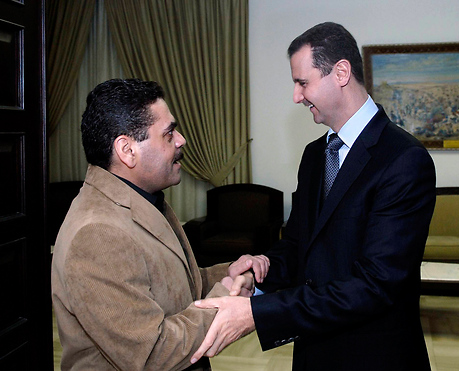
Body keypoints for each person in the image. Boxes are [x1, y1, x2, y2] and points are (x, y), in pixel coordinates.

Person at [190, 22, 436, 371]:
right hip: (314, 352)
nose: (296, 96)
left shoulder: (403, 159)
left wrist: (258, 315)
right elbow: (298, 245)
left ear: (340, 72)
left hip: (373, 357)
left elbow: (375, 285)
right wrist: (260, 275)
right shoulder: (314, 155)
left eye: (302, 83)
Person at [51, 78, 269, 371]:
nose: (181, 140)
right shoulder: (97, 234)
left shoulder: (144, 198)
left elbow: (174, 287)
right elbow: (152, 354)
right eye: (168, 134)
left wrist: (226, 273)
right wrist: (225, 304)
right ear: (127, 150)